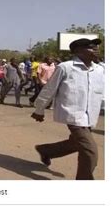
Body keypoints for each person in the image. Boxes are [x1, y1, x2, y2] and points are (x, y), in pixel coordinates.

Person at [31, 38, 104, 180]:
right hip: (73, 115)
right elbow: (49, 89)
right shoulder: (66, 67)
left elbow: (103, 93)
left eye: (96, 47)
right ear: (78, 51)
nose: (96, 49)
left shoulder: (100, 70)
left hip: (91, 115)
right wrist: (39, 109)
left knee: (77, 144)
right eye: (90, 47)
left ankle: (46, 151)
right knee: (90, 151)